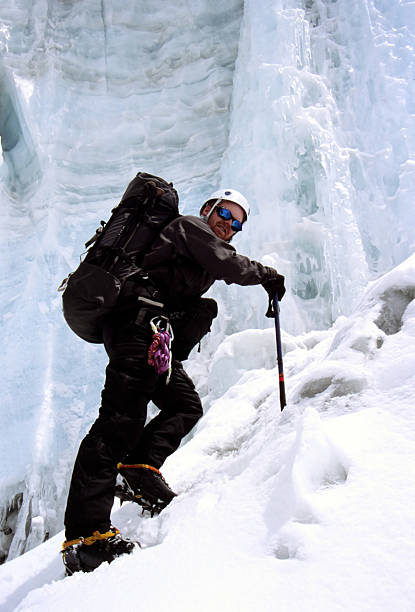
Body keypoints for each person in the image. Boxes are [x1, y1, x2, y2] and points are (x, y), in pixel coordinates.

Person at [61, 188, 285, 574]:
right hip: (137, 331)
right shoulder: (190, 227)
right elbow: (228, 265)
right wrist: (267, 275)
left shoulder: (199, 243)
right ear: (208, 210)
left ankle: (138, 469)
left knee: (184, 405)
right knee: (117, 424)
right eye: (224, 214)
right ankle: (85, 537)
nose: (228, 225)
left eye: (236, 223)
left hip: (154, 339)